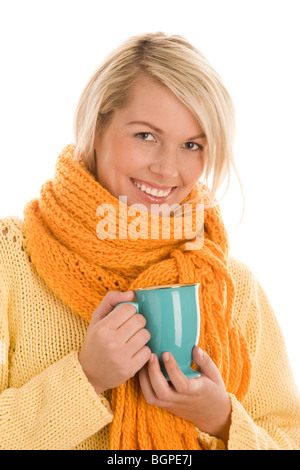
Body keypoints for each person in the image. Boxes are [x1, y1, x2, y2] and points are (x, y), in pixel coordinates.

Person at [0, 32, 299, 451]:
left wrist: (224, 421)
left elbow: (289, 436)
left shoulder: (230, 284)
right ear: (97, 127)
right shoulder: (11, 259)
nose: (166, 169)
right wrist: (85, 379)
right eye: (146, 136)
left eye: (191, 145)